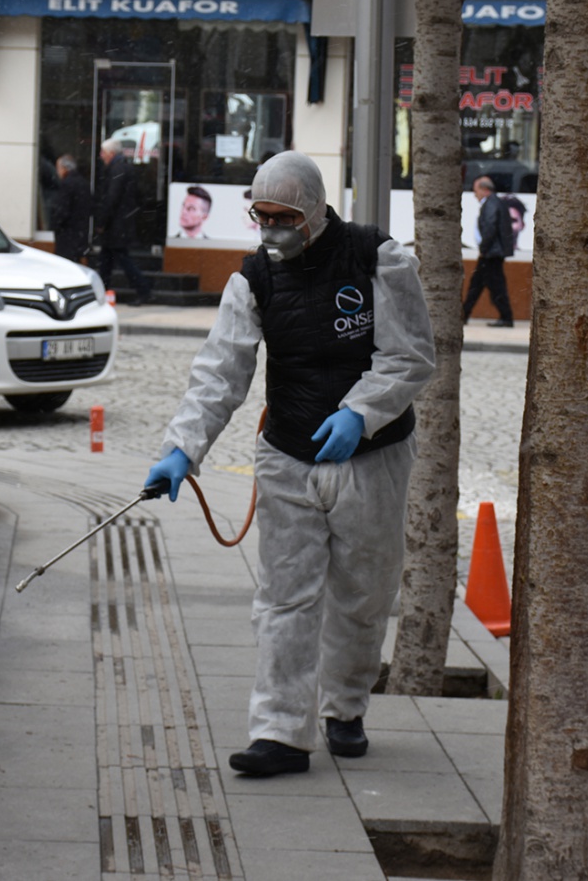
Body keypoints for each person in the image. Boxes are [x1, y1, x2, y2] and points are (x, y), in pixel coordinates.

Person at [144, 151, 434, 778]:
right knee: (284, 597)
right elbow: (220, 371)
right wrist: (182, 449)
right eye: (261, 215)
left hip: (374, 458)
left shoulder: (378, 258)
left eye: (282, 216)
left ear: (313, 210)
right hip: (286, 456)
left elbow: (411, 356)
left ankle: (346, 707)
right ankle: (279, 730)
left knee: (364, 593)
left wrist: (362, 412)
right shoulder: (254, 280)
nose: (270, 227)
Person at [95, 139, 154, 305]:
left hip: (116, 226)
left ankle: (144, 291)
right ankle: (101, 293)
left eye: (103, 153)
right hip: (117, 225)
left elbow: (112, 198)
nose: (101, 156)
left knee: (121, 261)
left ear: (111, 153)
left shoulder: (117, 169)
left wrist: (102, 221)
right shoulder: (122, 167)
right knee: (106, 262)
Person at [461, 176, 515, 327]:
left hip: (491, 253)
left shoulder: (491, 204)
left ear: (485, 190)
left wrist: (483, 248)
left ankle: (506, 317)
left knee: (493, 286)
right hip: (492, 252)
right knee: (478, 284)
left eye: (476, 190)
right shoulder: (495, 202)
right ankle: (464, 314)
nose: (474, 194)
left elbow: (490, 227)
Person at [49, 154, 93, 263]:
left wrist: (55, 224)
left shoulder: (67, 184)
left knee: (65, 265)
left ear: (64, 169)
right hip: (79, 234)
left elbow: (62, 211)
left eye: (58, 168)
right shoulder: (83, 183)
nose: (57, 171)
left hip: (67, 236)